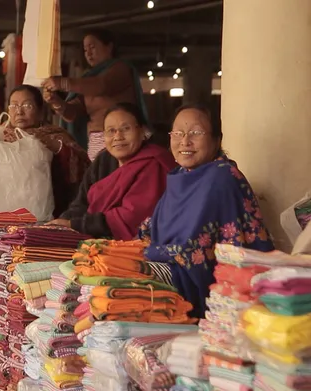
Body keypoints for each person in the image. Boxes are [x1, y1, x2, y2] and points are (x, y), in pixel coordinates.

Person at [140, 104, 275, 318]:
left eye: (196, 133)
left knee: (128, 285)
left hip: (203, 285)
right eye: (178, 133)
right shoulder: (179, 176)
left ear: (216, 140)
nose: (185, 141)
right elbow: (149, 231)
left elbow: (194, 251)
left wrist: (146, 253)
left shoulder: (222, 177)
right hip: (169, 267)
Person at [48, 103, 176, 240]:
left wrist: (74, 224)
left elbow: (132, 217)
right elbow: (81, 203)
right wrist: (60, 225)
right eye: (111, 131)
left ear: (143, 132)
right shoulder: (103, 161)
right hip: (94, 238)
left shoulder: (153, 162)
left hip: (136, 244)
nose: (118, 136)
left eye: (125, 129)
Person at [0, 85, 90, 218]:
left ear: (41, 111)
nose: (19, 112)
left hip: (42, 215)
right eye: (14, 106)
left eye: (27, 106)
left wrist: (56, 147)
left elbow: (82, 165)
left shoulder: (53, 136)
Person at [41, 29, 147, 161]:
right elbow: (72, 113)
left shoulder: (120, 68)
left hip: (121, 137)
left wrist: (63, 83)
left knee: (121, 178)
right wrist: (56, 102)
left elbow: (102, 86)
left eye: (92, 47)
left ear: (109, 47)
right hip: (96, 139)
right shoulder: (87, 78)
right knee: (100, 179)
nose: (89, 53)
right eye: (85, 50)